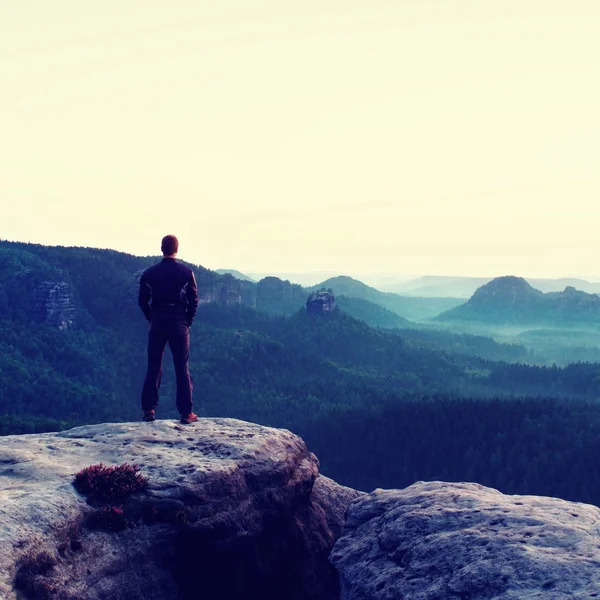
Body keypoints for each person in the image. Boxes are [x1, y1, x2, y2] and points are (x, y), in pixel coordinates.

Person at [138, 235, 199, 424]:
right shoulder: (186, 272)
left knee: (154, 366)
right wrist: (187, 321)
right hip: (179, 322)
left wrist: (151, 318)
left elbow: (142, 301)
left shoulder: (149, 273)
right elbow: (193, 300)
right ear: (176, 249)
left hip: (157, 321)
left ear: (161, 248)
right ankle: (186, 413)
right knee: (182, 367)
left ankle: (149, 410)